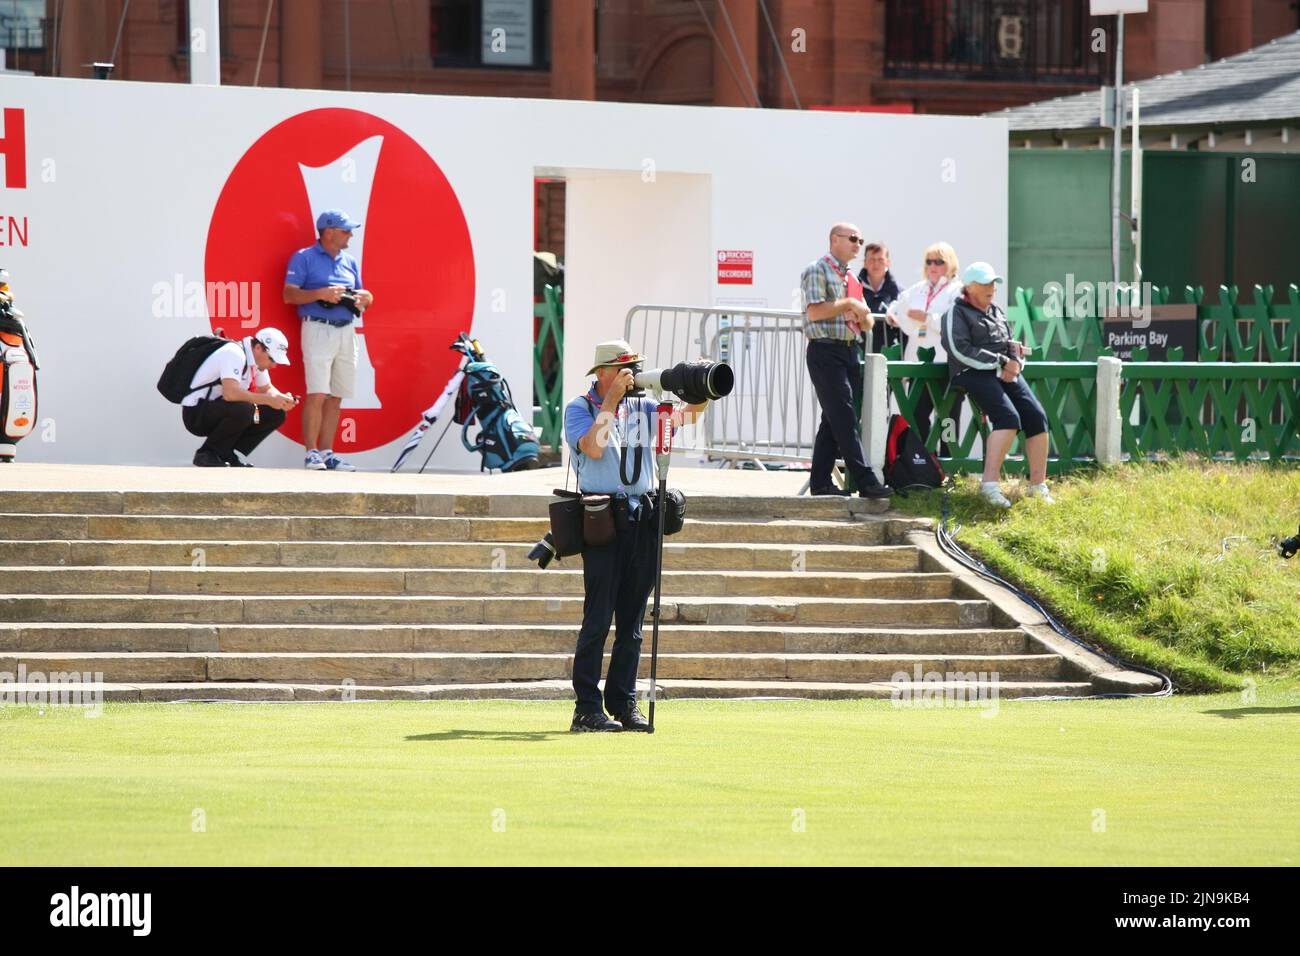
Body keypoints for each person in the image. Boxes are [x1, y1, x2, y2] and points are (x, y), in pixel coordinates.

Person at [563, 339, 708, 732]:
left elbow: (689, 417)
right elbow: (593, 448)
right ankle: (586, 709)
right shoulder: (581, 408)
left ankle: (624, 702)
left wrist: (702, 385)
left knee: (632, 623)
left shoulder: (645, 407)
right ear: (604, 373)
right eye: (625, 368)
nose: (632, 374)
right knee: (598, 619)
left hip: (643, 517)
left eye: (635, 367)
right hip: (603, 520)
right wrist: (610, 401)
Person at [941, 262, 1053, 508]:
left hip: (1001, 372)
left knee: (1037, 417)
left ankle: (1037, 485)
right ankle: (989, 485)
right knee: (1008, 418)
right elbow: (959, 350)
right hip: (971, 372)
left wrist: (1015, 361)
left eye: (993, 283)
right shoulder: (954, 313)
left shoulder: (997, 311)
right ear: (969, 288)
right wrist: (1001, 362)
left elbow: (1012, 343)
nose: (991, 288)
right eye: (985, 283)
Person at [800, 223, 893, 499]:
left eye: (860, 239)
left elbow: (866, 324)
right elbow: (815, 311)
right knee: (844, 417)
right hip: (825, 350)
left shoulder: (850, 276)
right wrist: (851, 305)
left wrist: (859, 312)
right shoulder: (817, 269)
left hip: (848, 350)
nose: (857, 243)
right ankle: (866, 481)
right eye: (852, 238)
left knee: (833, 419)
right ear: (834, 240)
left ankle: (820, 483)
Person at [283, 209, 375, 472]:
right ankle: (311, 452)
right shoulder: (304, 258)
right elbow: (289, 295)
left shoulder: (350, 262)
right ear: (329, 232)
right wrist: (321, 294)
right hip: (318, 328)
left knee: (336, 396)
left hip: (347, 329)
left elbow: (363, 296)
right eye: (346, 230)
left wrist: (365, 298)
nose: (351, 235)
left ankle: (327, 452)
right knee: (318, 392)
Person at [888, 241, 966, 451]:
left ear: (950, 264)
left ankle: (950, 464)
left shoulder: (958, 291)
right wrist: (892, 314)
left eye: (939, 261)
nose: (933, 266)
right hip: (918, 364)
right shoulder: (919, 289)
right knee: (917, 415)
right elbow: (897, 305)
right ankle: (922, 465)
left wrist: (928, 318)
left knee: (948, 418)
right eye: (929, 261)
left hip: (945, 365)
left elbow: (956, 325)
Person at [180, 328, 297, 467]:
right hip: (196, 413)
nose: (274, 365)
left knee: (276, 413)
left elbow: (267, 389)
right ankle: (207, 453)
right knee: (245, 409)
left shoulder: (256, 360)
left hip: (217, 408)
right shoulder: (234, 353)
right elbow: (231, 394)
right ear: (258, 348)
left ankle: (226, 451)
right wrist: (269, 399)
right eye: (272, 359)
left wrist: (283, 399)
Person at [857, 242, 901, 355]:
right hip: (858, 352)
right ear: (865, 263)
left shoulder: (899, 292)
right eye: (872, 259)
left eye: (880, 260)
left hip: (888, 355)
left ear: (888, 262)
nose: (876, 264)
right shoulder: (853, 287)